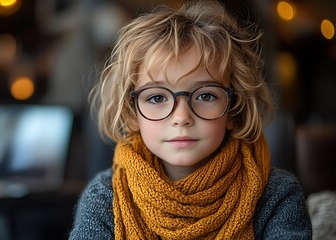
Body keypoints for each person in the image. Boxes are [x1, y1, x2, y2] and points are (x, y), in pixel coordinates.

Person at [70, 0, 312, 239]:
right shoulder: (105, 197)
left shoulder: (276, 194)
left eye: (206, 95)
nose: (181, 117)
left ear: (234, 109)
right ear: (132, 113)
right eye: (156, 98)